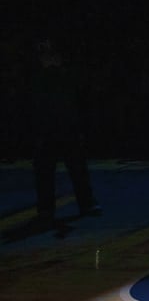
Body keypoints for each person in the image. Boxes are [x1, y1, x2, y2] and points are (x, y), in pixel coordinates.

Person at [30, 38, 101, 229]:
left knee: (76, 168)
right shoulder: (38, 78)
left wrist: (80, 127)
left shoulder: (65, 76)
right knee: (46, 171)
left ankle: (85, 203)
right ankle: (46, 209)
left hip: (67, 128)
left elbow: (78, 102)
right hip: (47, 130)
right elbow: (31, 106)